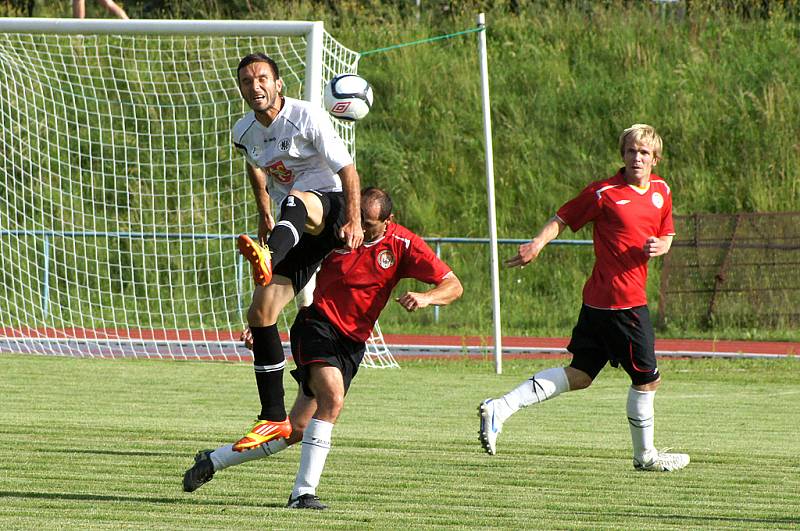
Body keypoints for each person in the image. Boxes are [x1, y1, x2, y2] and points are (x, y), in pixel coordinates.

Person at [183, 187, 463, 509]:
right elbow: (294, 275)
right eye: (358, 219)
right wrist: (262, 326)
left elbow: (453, 285)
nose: (359, 228)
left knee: (295, 430)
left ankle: (213, 460)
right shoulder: (336, 233)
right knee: (333, 396)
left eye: (369, 224)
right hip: (316, 325)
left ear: (389, 221)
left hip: (352, 344)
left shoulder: (403, 244)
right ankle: (302, 494)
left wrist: (427, 297)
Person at [479, 124, 689, 472]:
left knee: (580, 374)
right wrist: (537, 243)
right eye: (630, 151)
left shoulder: (661, 191)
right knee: (647, 379)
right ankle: (645, 457)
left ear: (655, 158)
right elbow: (562, 217)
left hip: (600, 303)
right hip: (622, 304)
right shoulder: (604, 192)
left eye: (643, 153)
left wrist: (663, 244)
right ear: (622, 154)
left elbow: (666, 231)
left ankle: (501, 407)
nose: (636, 158)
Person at [230, 53, 364, 452]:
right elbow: (257, 167)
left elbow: (348, 170)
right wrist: (262, 213)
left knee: (299, 199)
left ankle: (268, 254)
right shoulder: (243, 132)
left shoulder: (307, 116)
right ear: (241, 89)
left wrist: (354, 220)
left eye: (262, 79)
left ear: (278, 84)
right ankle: (273, 418)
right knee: (261, 313)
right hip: (292, 226)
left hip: (331, 207)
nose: (255, 86)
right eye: (247, 81)